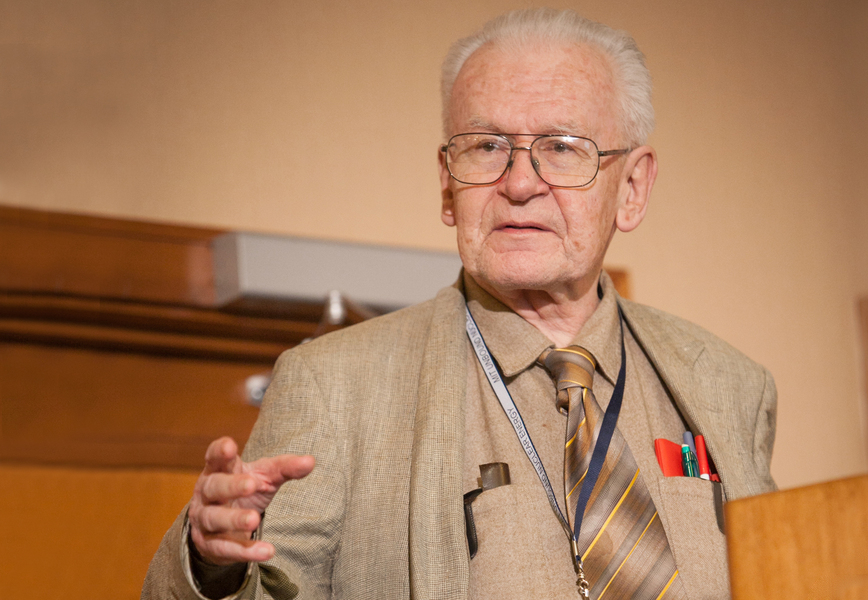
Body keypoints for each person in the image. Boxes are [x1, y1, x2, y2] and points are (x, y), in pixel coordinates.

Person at [143, 8, 776, 600]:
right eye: (486, 146)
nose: (520, 183)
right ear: (448, 186)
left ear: (632, 188)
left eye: (561, 146)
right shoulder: (337, 387)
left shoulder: (728, 387)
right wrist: (213, 564)